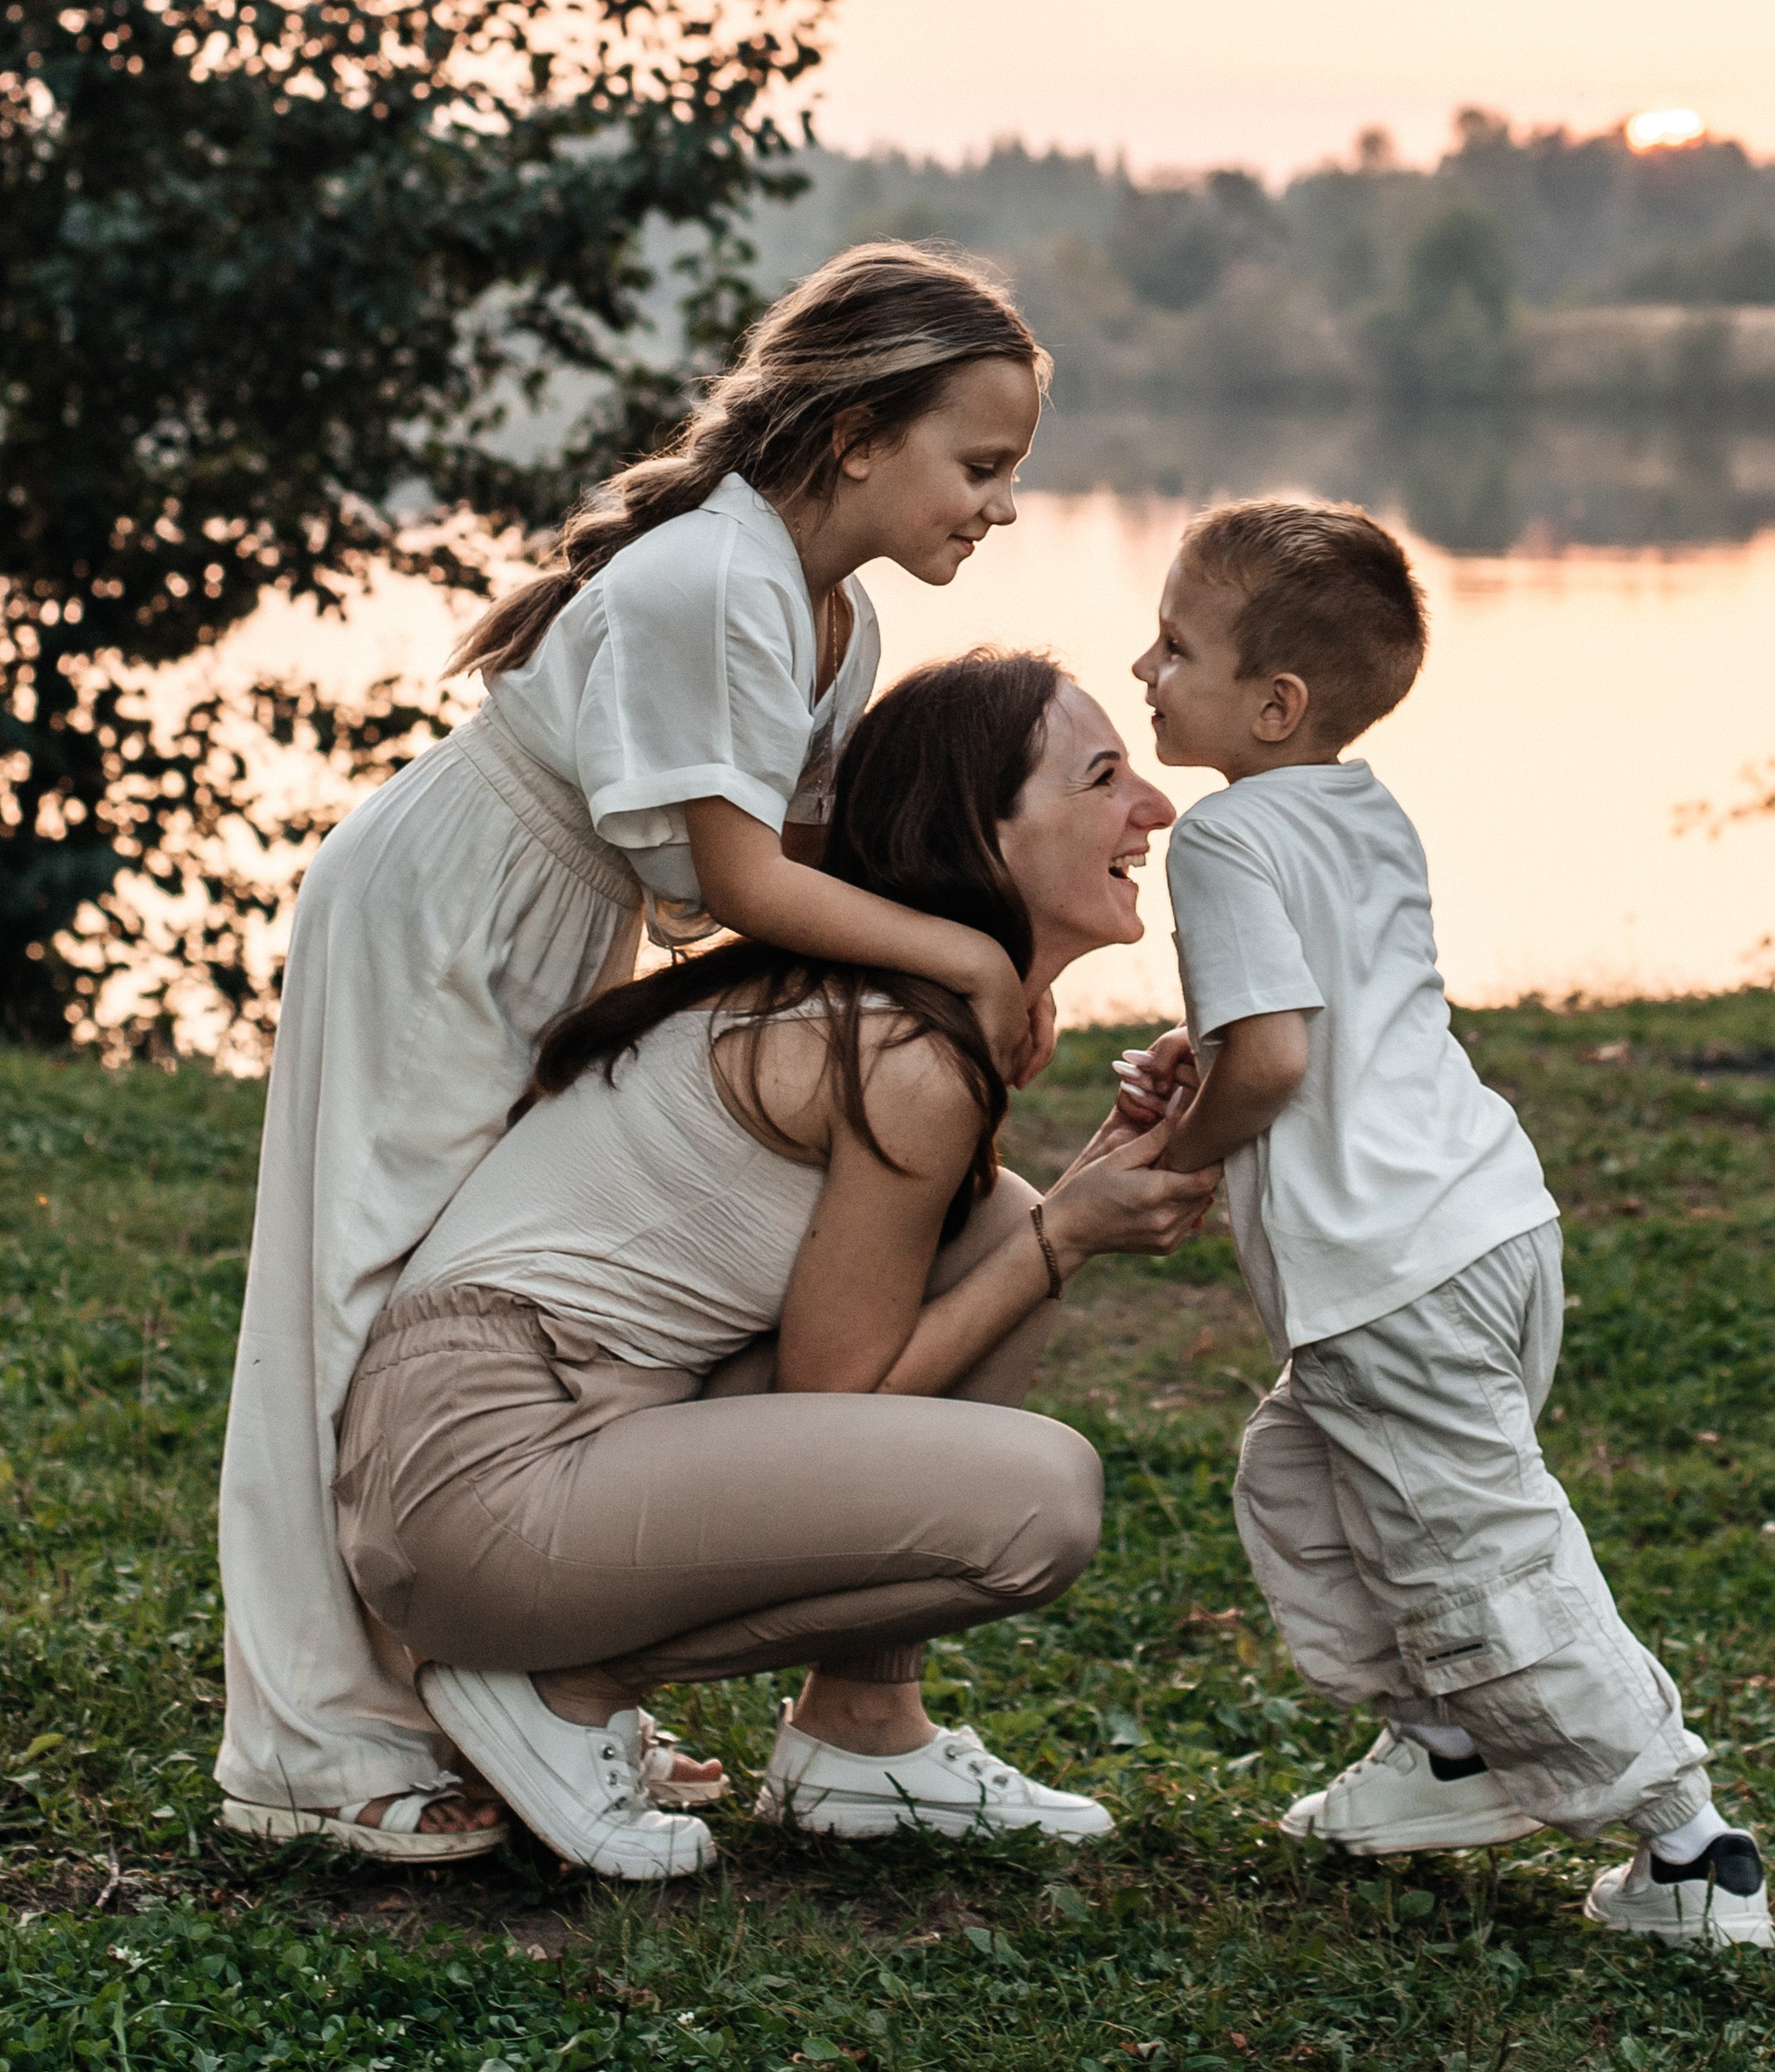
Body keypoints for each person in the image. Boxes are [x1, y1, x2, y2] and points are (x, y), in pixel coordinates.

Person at [217, 243, 1051, 1862]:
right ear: (859, 434)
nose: (1000, 507)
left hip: (559, 922)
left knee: (519, 1284)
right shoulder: (711, 580)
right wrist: (964, 951)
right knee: (364, 1294)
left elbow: (799, 851)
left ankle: (532, 1675)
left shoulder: (833, 617)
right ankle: (324, 1747)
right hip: (451, 912)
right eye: (983, 464)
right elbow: (742, 886)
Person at [332, 650, 1217, 1875]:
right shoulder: (902, 1049)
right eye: (1103, 779)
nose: (1155, 807)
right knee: (1038, 1502)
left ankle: (861, 1732)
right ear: (983, 832)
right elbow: (841, 1402)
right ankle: (565, 1687)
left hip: (535, 1433)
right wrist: (1074, 1236)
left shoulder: (889, 1011)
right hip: (481, 1479)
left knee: (998, 1224)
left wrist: (1078, 1197)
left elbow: (853, 1362)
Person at [1116, 502, 1775, 1949]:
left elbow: (1279, 1062)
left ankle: (1688, 1852)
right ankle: (1450, 1753)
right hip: (1488, 1225)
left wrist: (1180, 1147)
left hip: (1389, 1274)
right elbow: (1324, 1021)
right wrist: (1201, 1053)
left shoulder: (1221, 837)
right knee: (1300, 1483)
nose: (1142, 667)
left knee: (1483, 1560)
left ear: (1273, 703)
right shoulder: (1365, 807)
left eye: (1174, 646)